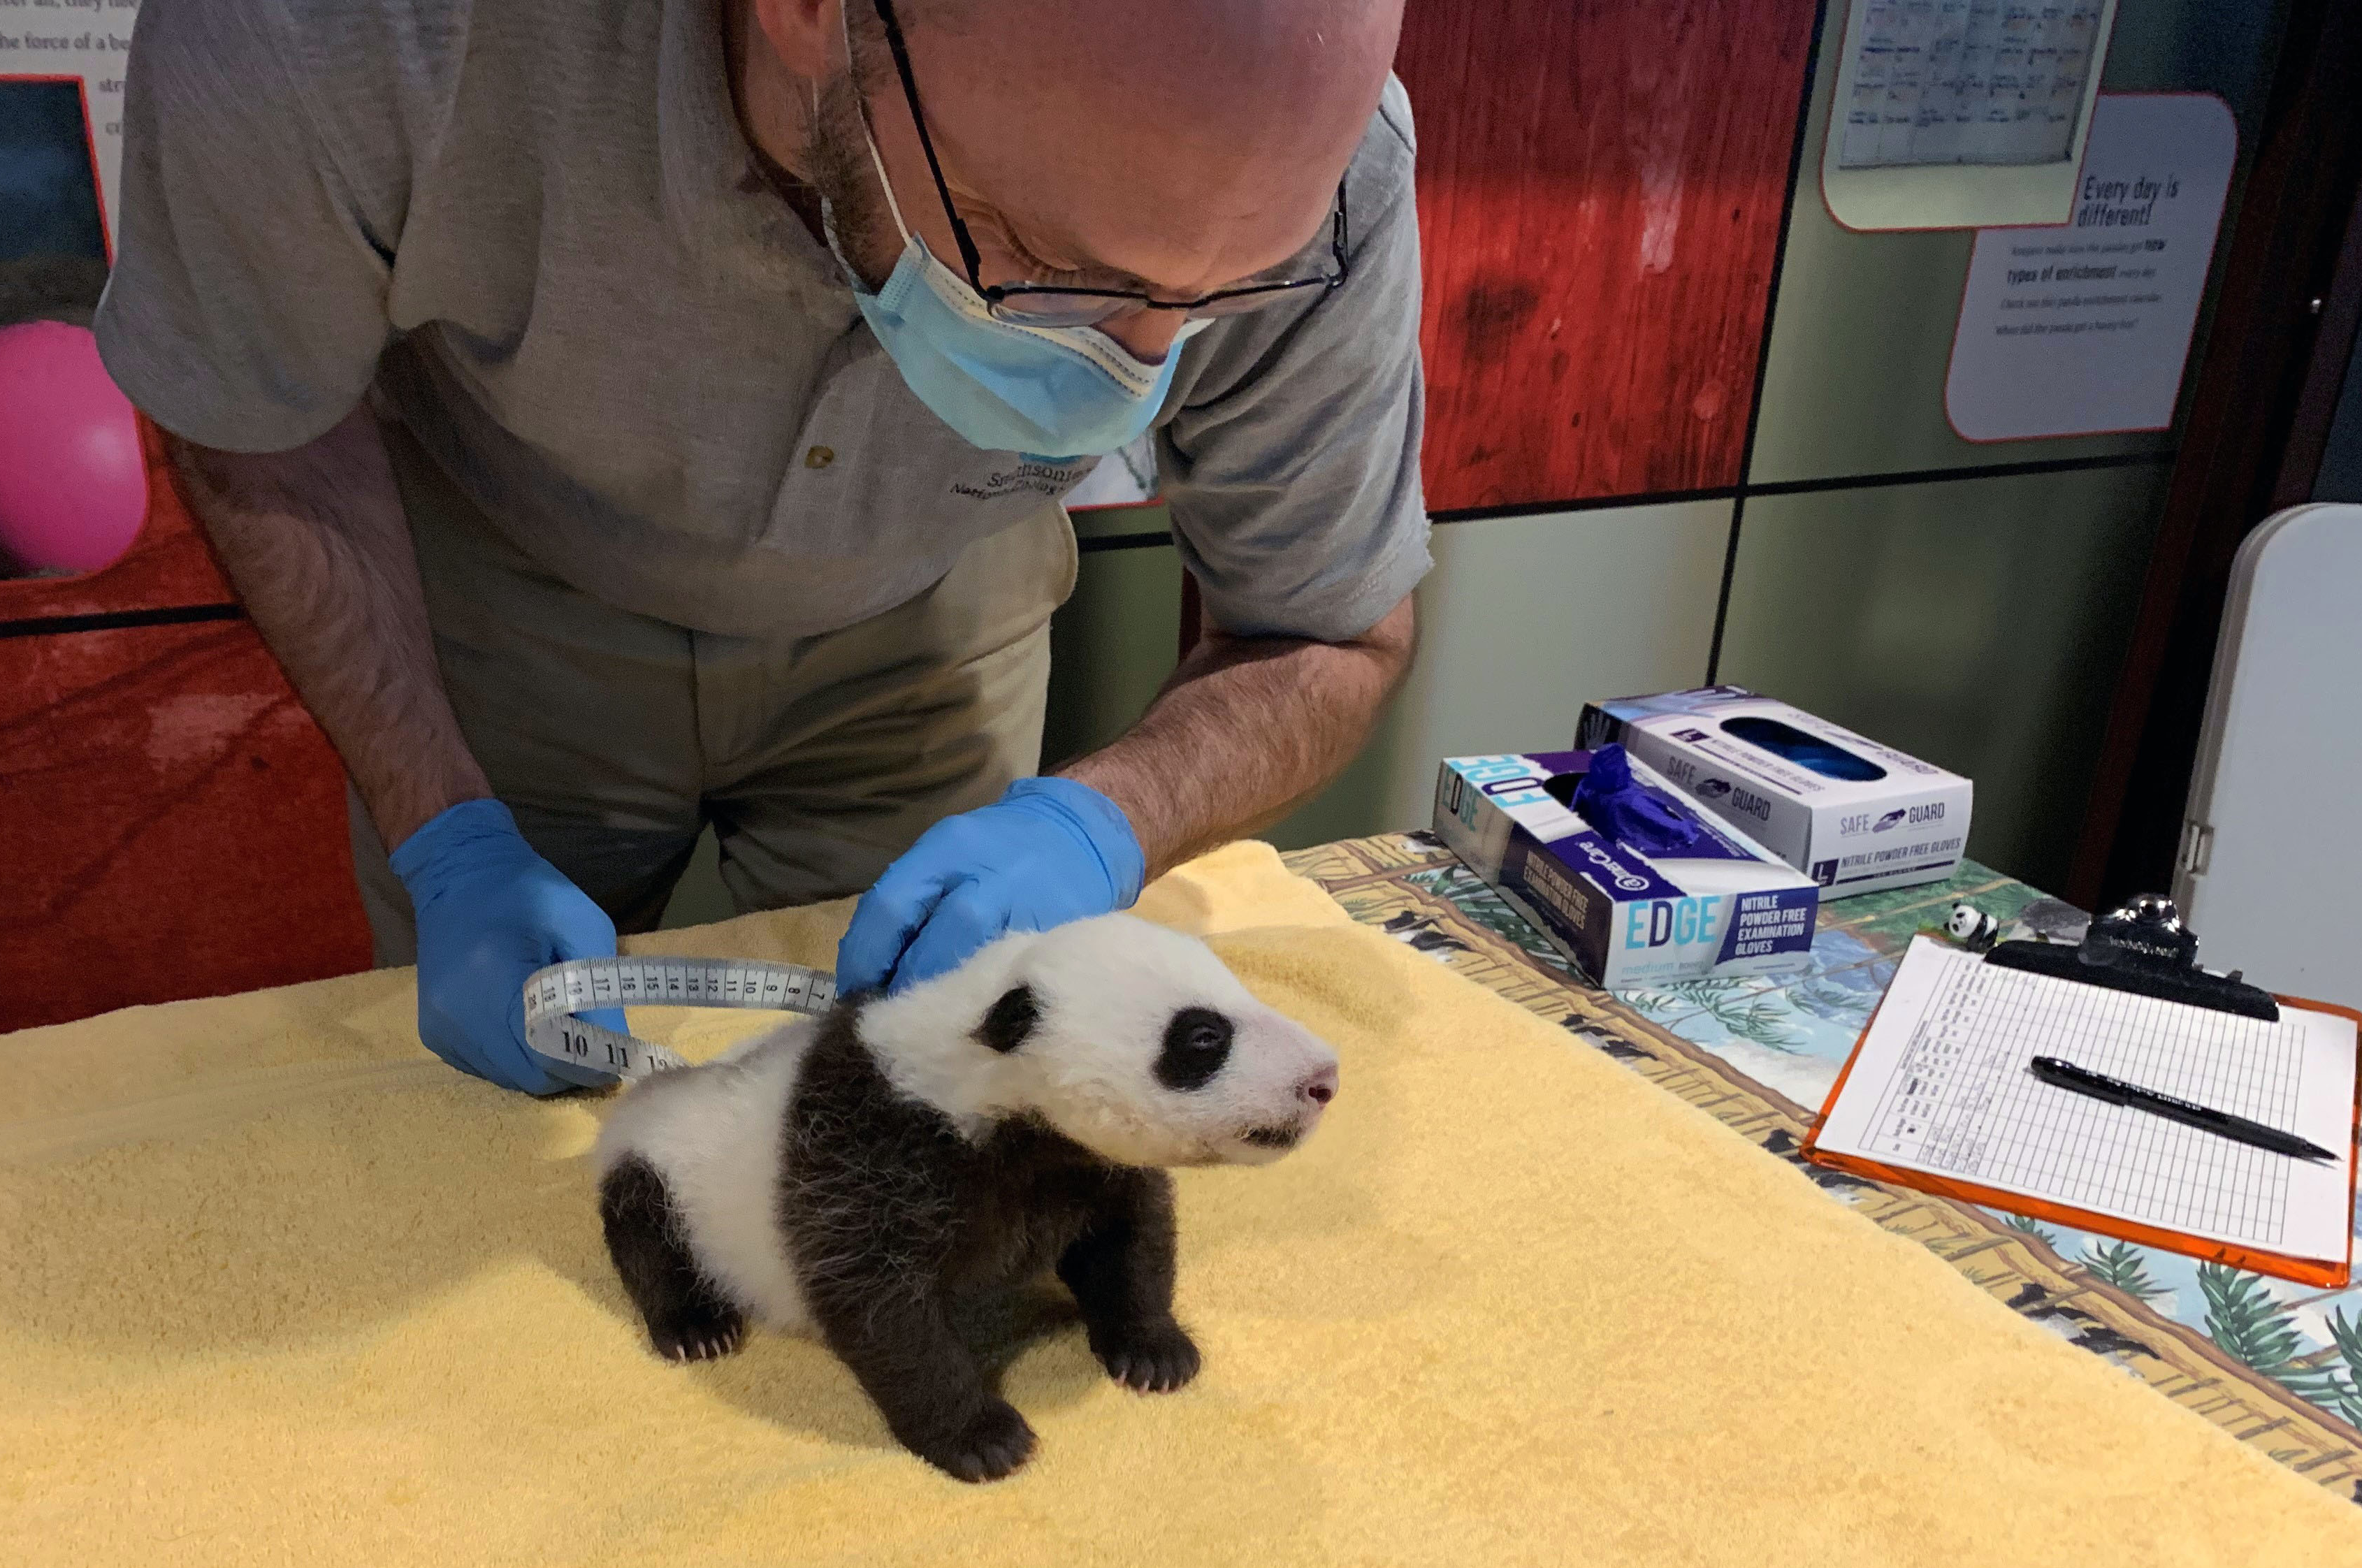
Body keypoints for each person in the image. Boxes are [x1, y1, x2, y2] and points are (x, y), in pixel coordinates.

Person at [93, 0, 1430, 1094]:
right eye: (1041, 262)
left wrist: (1106, 822)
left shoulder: (1327, 160)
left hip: (938, 592)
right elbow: (259, 420)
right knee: (483, 1131)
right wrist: (442, 829)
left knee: (922, 1109)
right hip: (505, 594)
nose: (1131, 378)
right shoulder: (337, 37)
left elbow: (1331, 626)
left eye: (1221, 296)